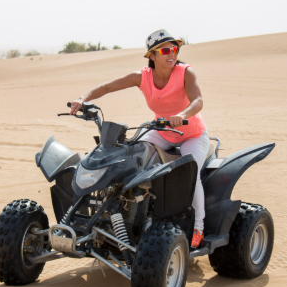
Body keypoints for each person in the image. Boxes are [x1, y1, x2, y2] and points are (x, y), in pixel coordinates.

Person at [70, 29, 209, 248]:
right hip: (161, 132)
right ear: (152, 56)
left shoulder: (185, 73)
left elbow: (198, 101)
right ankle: (136, 216)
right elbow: (107, 87)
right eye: (165, 50)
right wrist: (83, 98)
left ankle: (199, 228)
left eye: (174, 49)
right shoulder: (142, 77)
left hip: (192, 135)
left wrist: (182, 115)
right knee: (135, 158)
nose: (171, 53)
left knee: (192, 173)